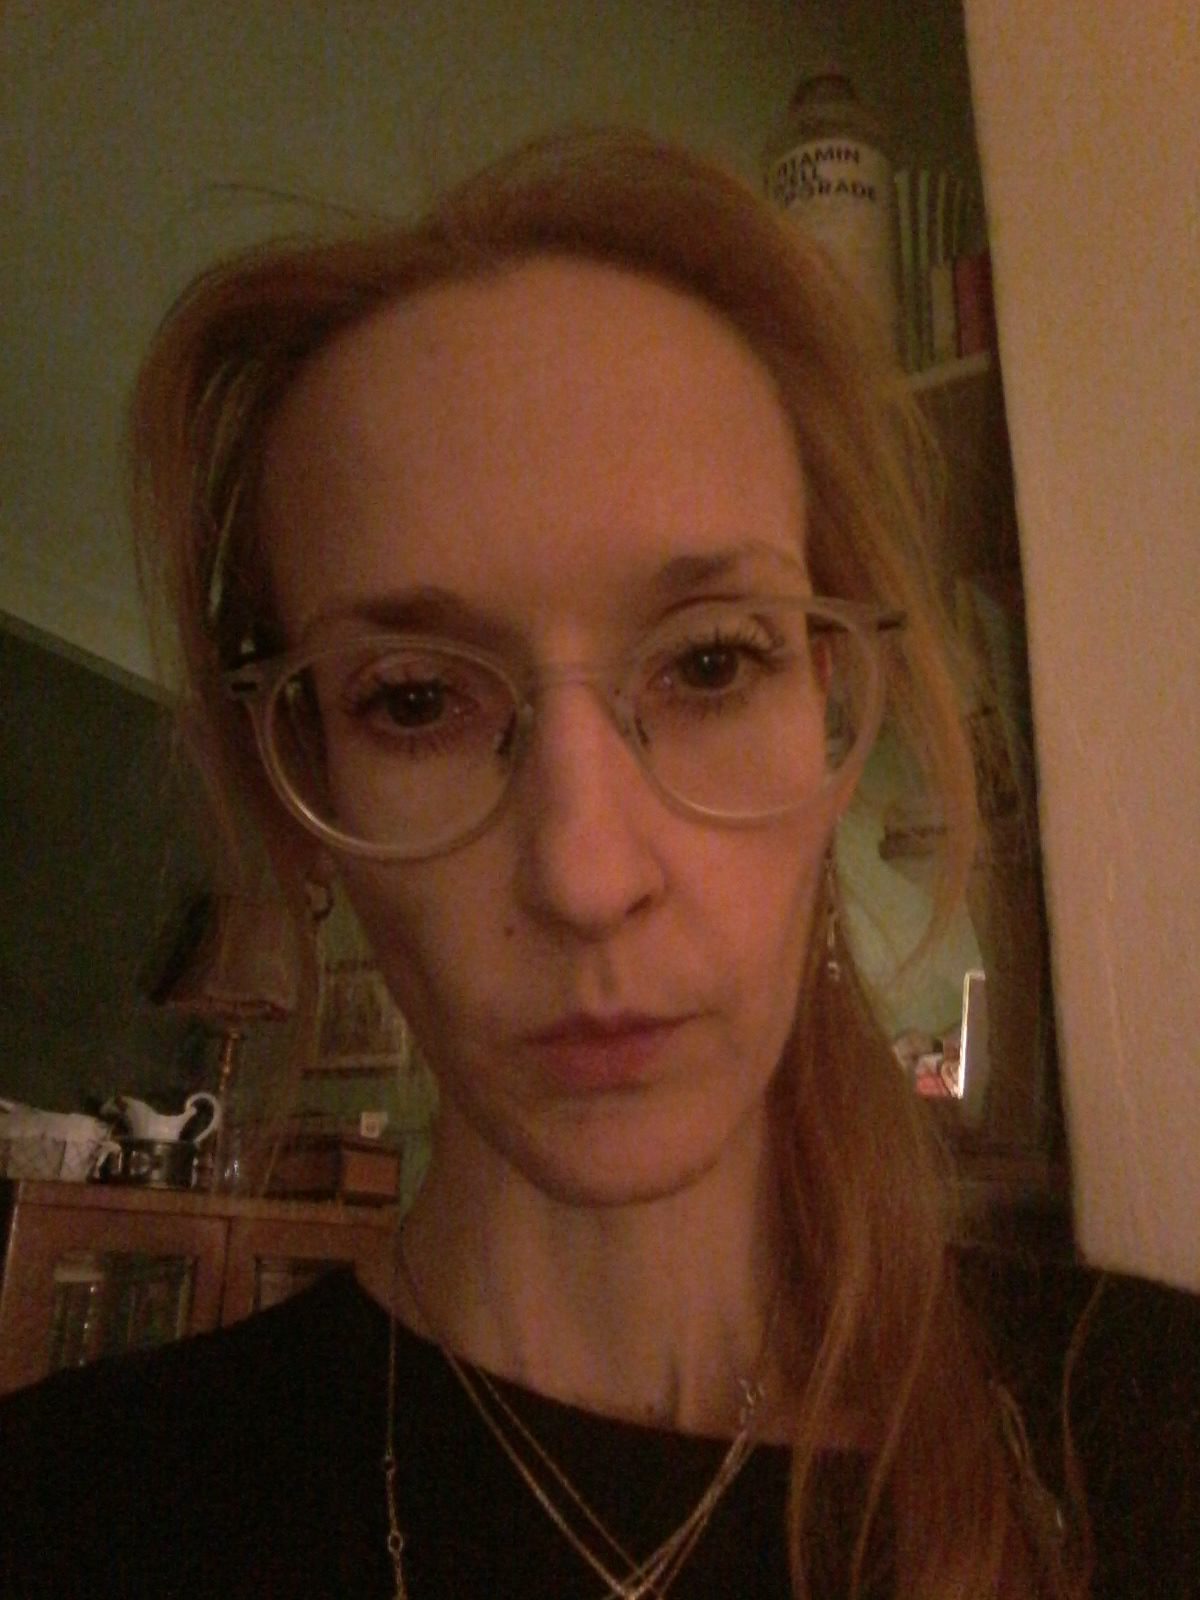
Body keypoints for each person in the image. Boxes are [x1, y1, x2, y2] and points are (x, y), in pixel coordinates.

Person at [1, 128, 1195, 1600]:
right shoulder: (71, 1519)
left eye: (711, 662)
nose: (584, 875)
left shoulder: (1147, 1431)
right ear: (303, 784)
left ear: (831, 714)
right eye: (415, 700)